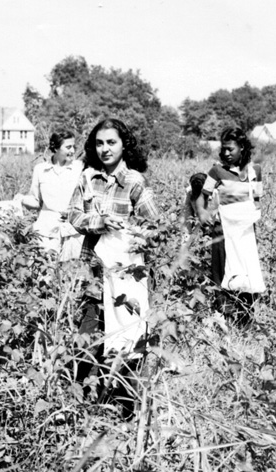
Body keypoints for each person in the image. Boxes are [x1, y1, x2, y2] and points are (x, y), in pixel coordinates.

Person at [67, 118, 160, 419]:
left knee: (125, 335)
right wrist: (99, 222)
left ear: (124, 145)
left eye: (111, 142)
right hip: (94, 271)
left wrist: (134, 234)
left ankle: (125, 408)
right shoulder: (88, 178)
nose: (104, 149)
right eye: (99, 143)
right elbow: (73, 215)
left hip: (123, 276)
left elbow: (155, 227)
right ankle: (79, 404)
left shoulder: (134, 182)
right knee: (88, 336)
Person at [197, 127, 265, 326]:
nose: (226, 153)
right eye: (224, 149)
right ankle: (224, 320)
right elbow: (202, 196)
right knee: (223, 273)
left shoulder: (255, 171)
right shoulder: (217, 171)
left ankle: (245, 321)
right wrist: (202, 213)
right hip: (223, 231)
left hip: (245, 232)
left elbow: (257, 200)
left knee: (247, 273)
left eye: (231, 149)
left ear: (242, 148)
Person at [21, 130, 85, 260]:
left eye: (73, 147)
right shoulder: (40, 169)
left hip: (72, 231)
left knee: (70, 268)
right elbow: (36, 201)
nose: (73, 151)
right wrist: (21, 199)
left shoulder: (80, 168)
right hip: (46, 231)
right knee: (45, 267)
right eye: (68, 147)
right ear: (55, 148)